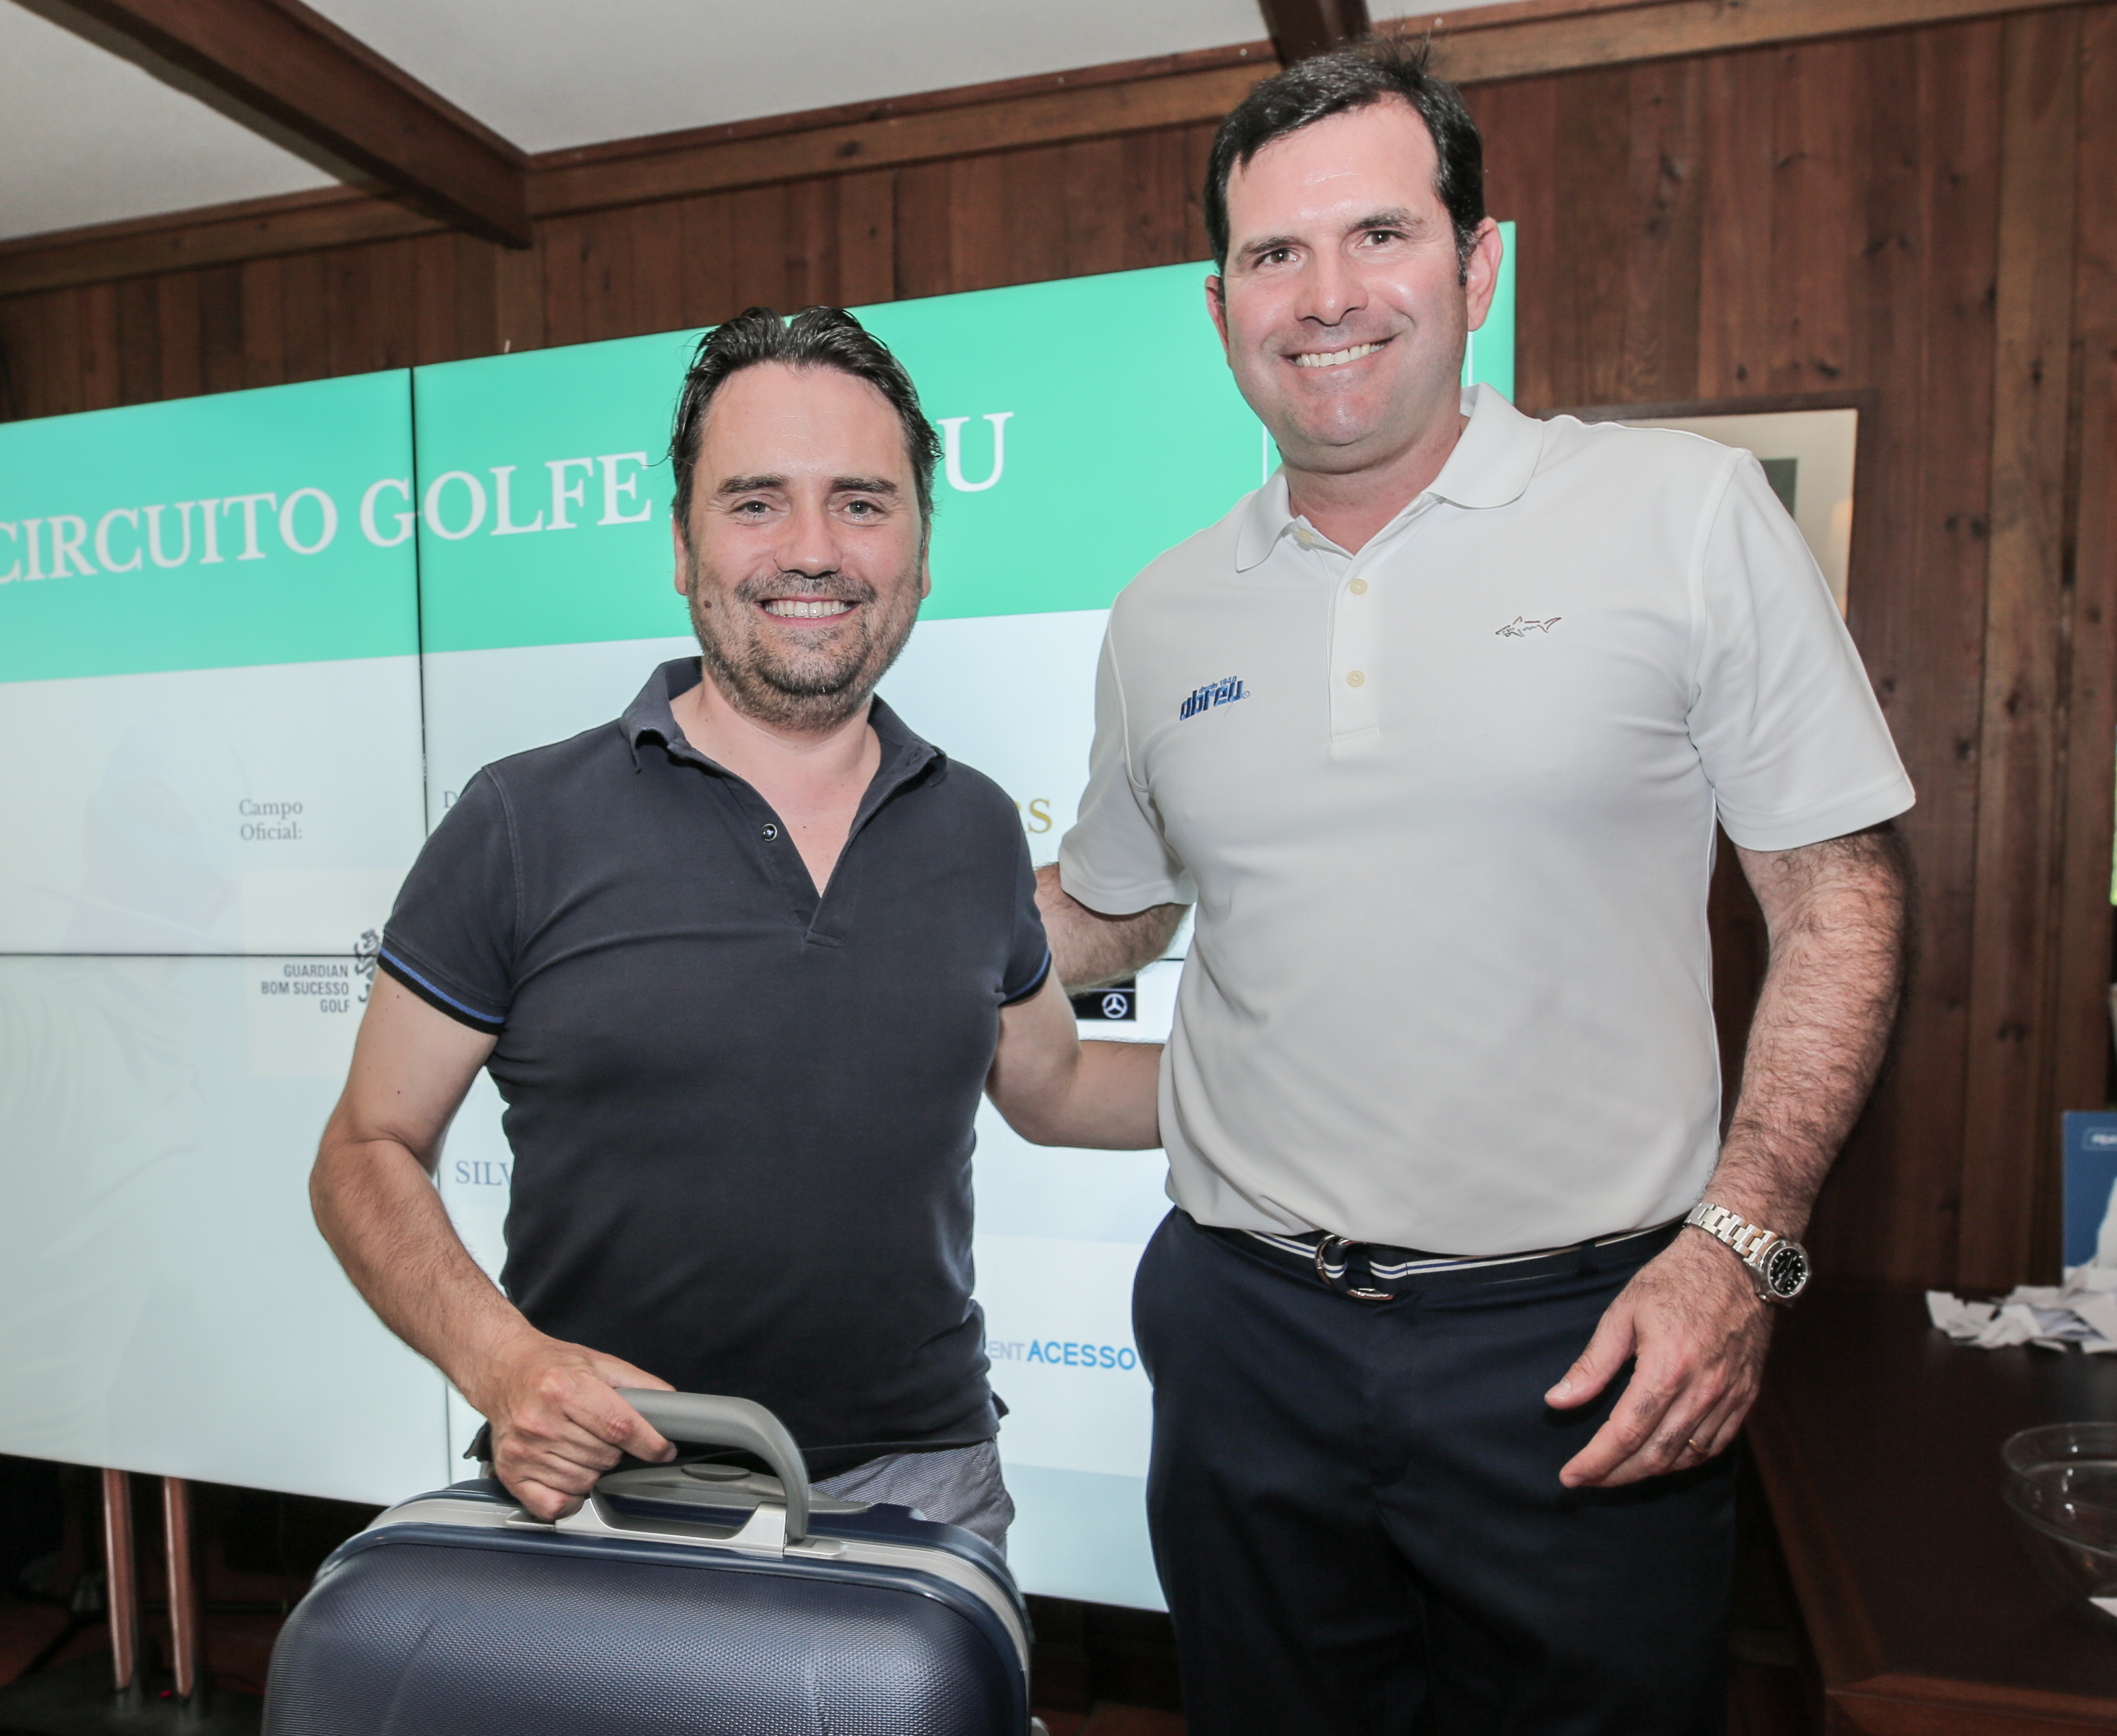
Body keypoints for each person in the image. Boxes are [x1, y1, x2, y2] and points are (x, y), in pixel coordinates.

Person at [1038, 43, 1912, 1733]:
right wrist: (874, 913)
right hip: (1245, 1339)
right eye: (1274, 254)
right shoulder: (1163, 611)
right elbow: (1114, 906)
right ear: (1218, 308)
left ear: (1476, 265)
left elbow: (1838, 903)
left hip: (1590, 1344)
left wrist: (1742, 1247)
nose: (1326, 295)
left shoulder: (1681, 515)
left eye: (1379, 234)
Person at [310, 306, 1160, 1546]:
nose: (811, 550)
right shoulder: (519, 820)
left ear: (922, 550)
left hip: (925, 1490)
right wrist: (503, 1362)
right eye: (756, 502)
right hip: (608, 1485)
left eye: (861, 503)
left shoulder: (973, 823)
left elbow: (1057, 1085)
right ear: (681, 543)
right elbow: (364, 1146)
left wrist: (1308, 1087)